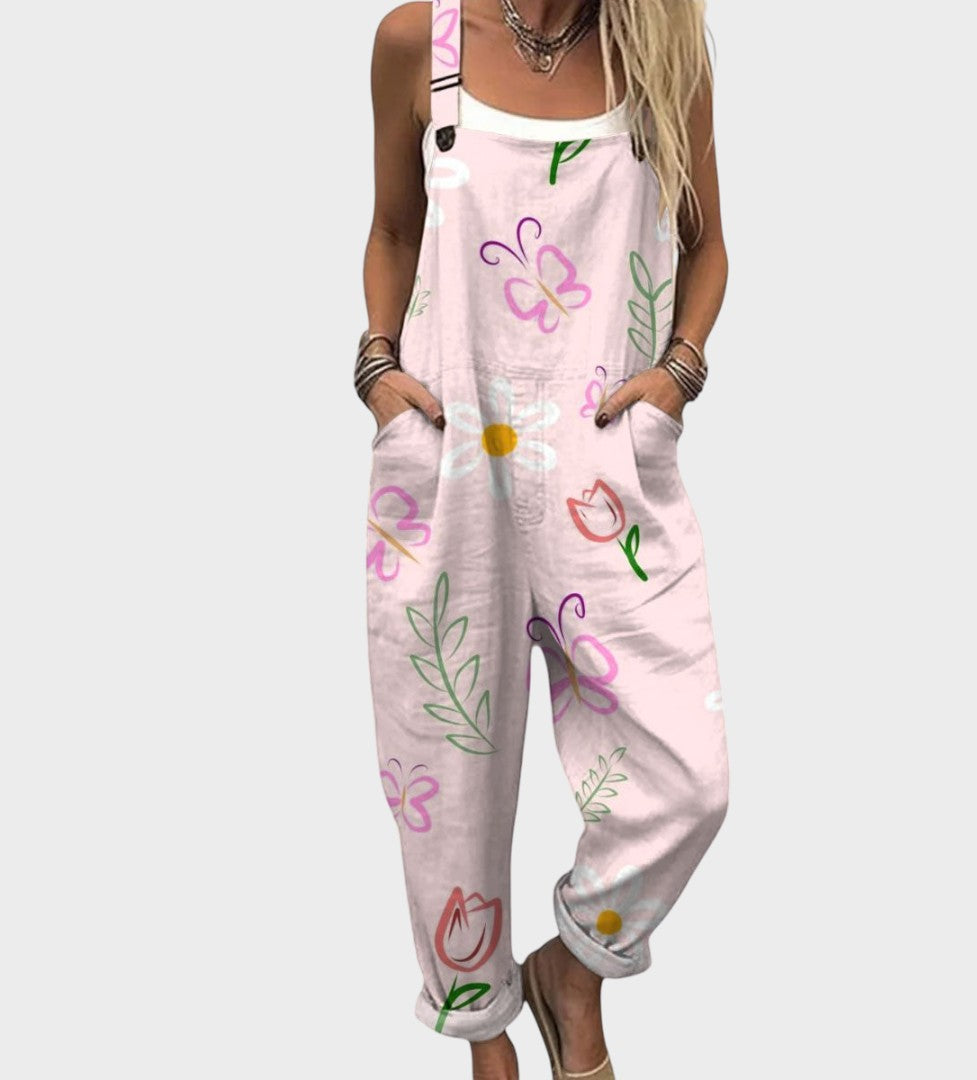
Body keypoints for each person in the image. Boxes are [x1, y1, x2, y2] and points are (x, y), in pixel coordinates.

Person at [355, 2, 729, 1076]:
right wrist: (376, 370)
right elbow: (393, 232)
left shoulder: (659, 48)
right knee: (447, 780)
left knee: (688, 781)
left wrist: (679, 373)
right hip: (449, 458)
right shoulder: (419, 43)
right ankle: (484, 1037)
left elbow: (706, 246)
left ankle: (574, 967)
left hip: (605, 468)